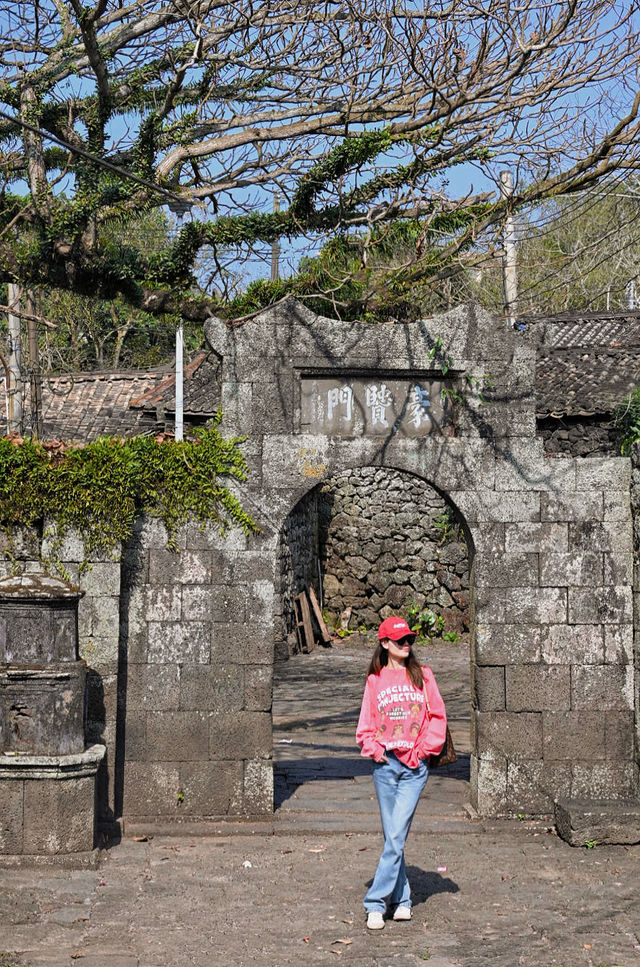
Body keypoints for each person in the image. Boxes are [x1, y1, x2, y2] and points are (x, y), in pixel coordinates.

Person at [356, 615, 447, 930]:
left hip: (414, 767)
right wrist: (375, 749)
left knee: (395, 835)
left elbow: (438, 715)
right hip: (385, 765)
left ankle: (375, 904)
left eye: (409, 639)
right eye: (400, 641)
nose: (406, 644)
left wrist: (424, 750)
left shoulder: (423, 676)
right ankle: (404, 899)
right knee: (392, 835)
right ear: (385, 644)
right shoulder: (375, 680)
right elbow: (366, 723)